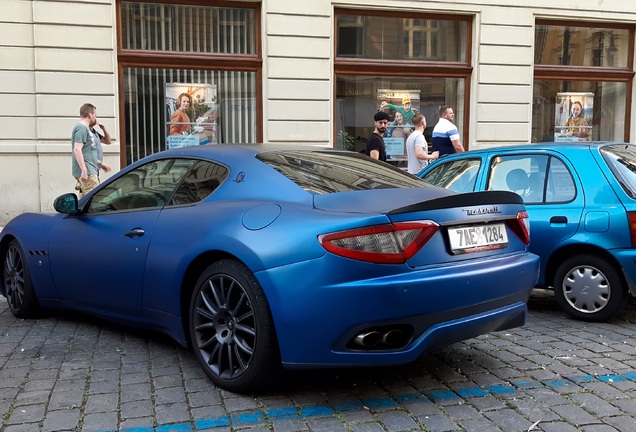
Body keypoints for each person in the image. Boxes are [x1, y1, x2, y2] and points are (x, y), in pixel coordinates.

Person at [71, 103, 100, 198]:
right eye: (95, 115)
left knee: (83, 200)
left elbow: (86, 151)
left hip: (90, 169)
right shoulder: (82, 128)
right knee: (94, 200)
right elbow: (77, 149)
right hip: (89, 172)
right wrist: (84, 170)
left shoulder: (84, 128)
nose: (95, 117)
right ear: (90, 115)